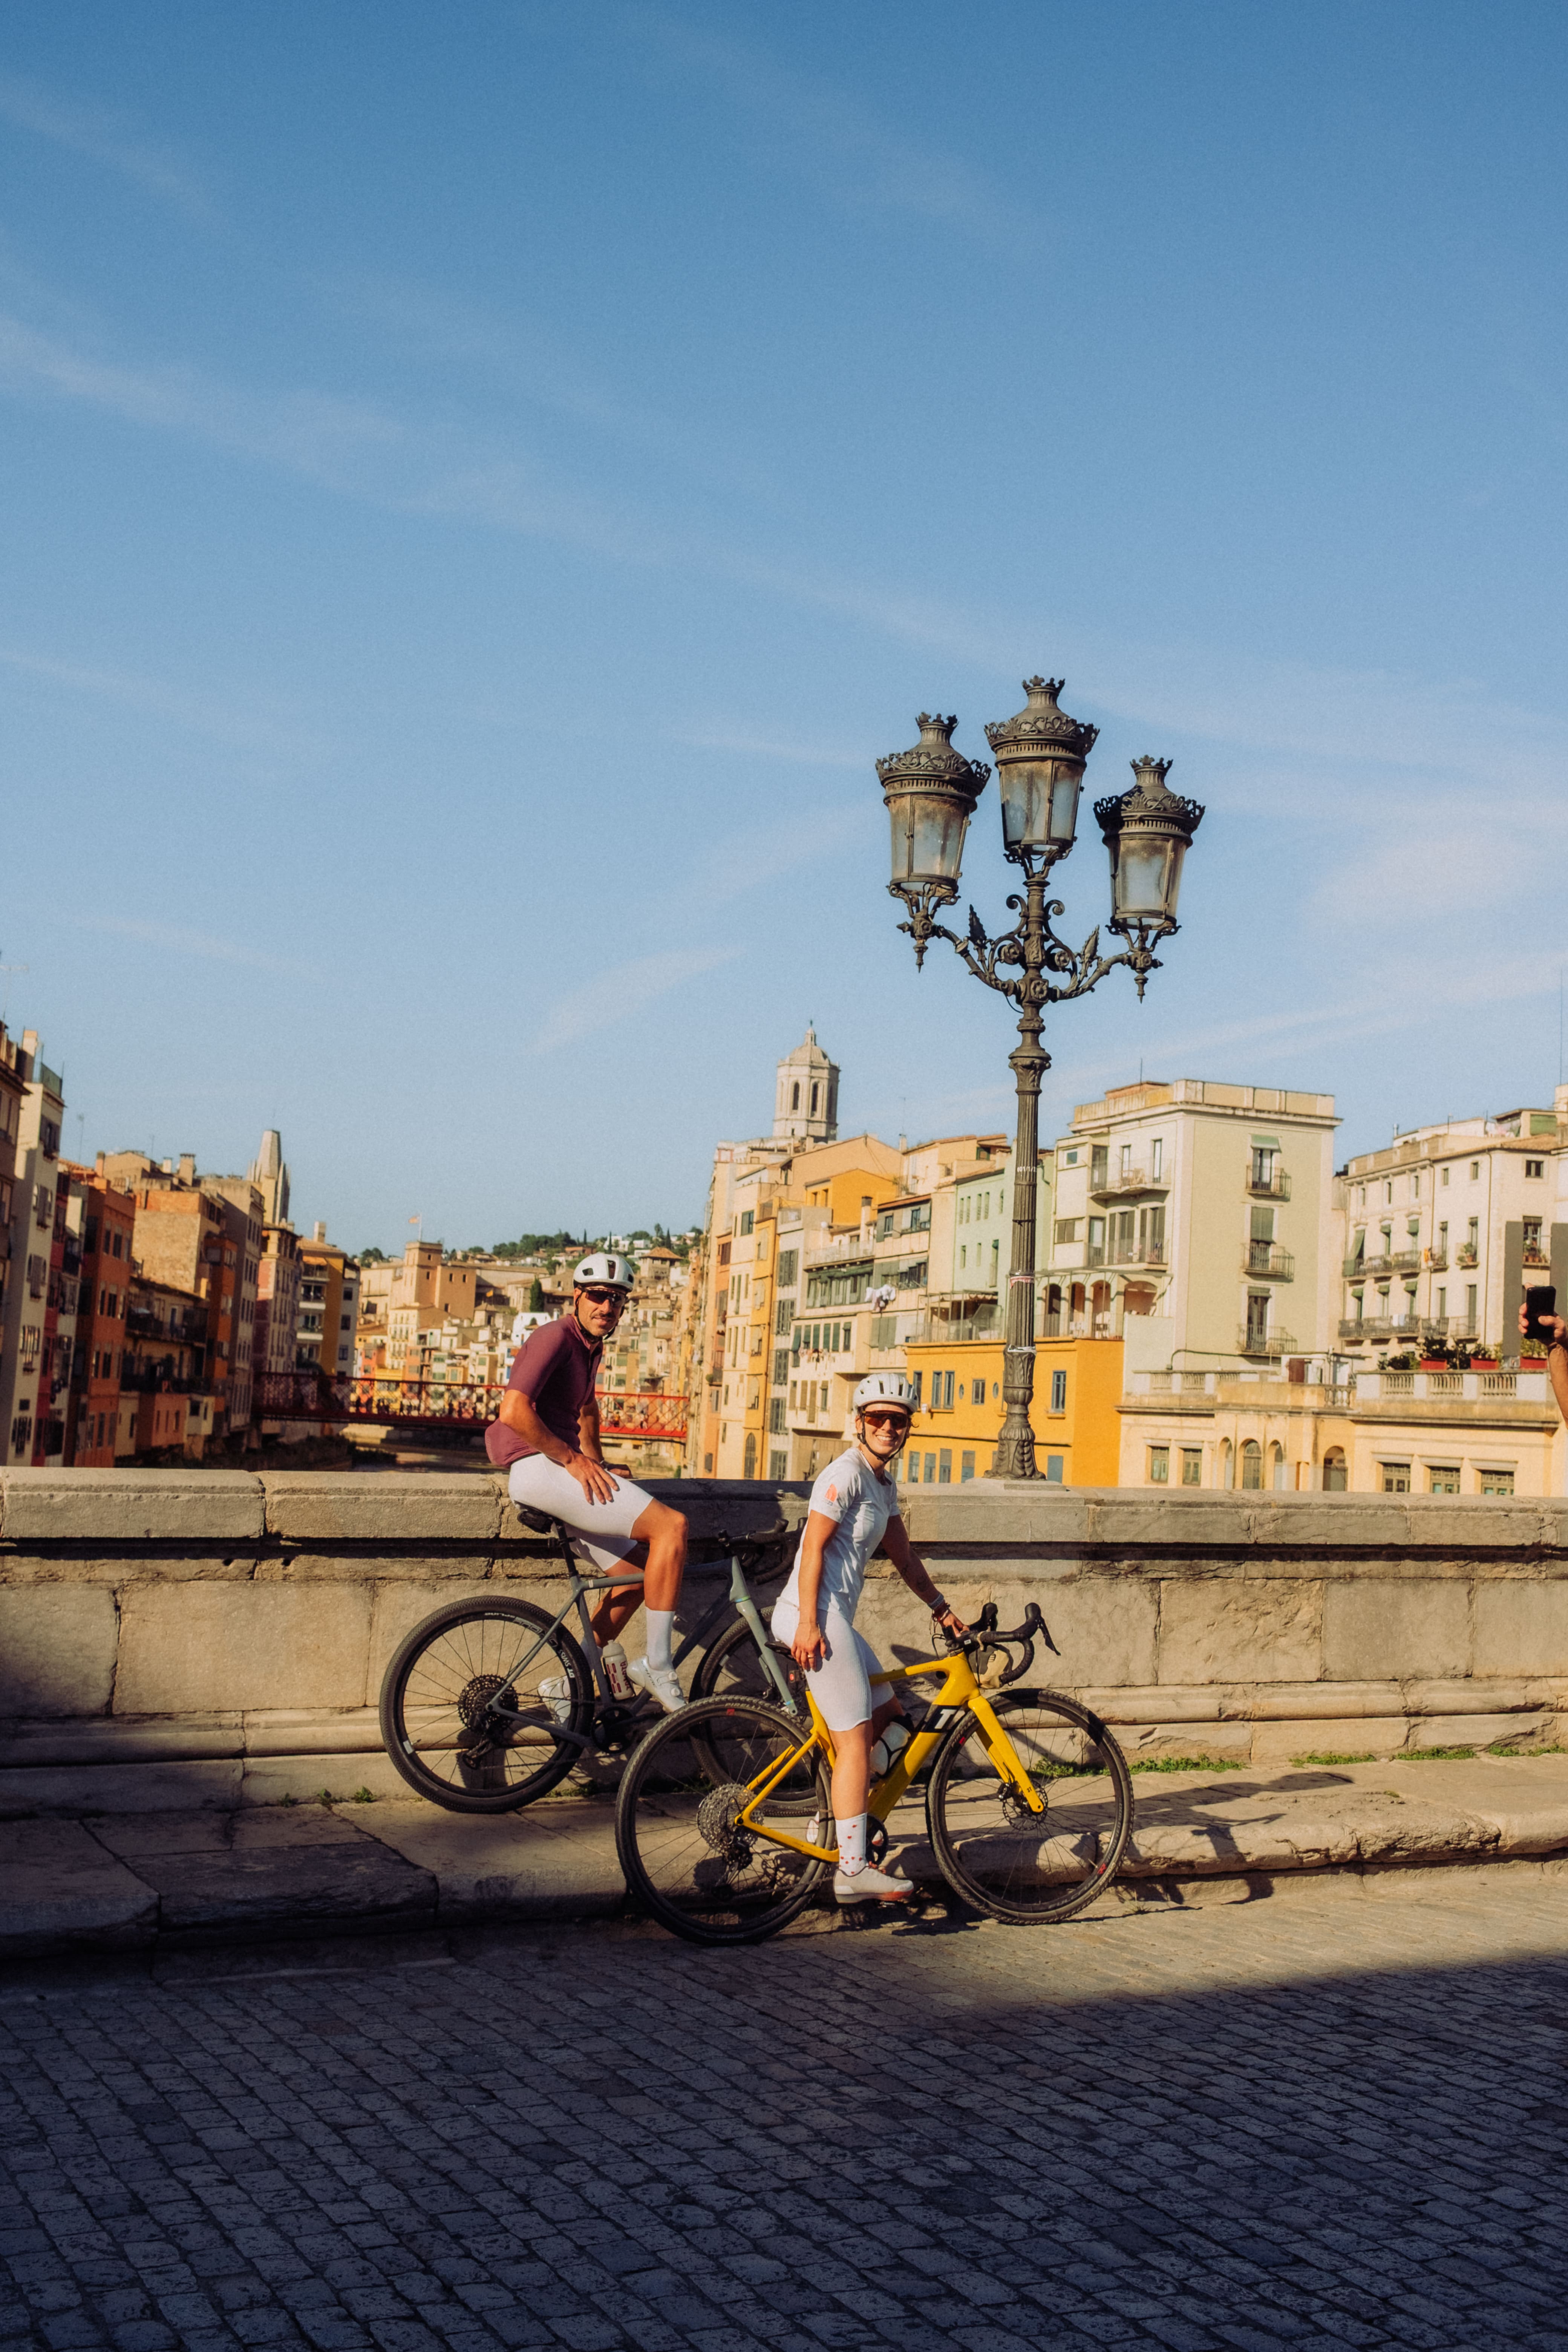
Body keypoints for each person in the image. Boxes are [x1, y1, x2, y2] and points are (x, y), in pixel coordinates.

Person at [771, 1372, 966, 1905]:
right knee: (855, 1741)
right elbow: (811, 1550)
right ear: (859, 1422)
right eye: (877, 1418)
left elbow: (904, 1557)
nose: (887, 1427)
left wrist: (942, 1610)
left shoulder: (882, 1485)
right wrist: (808, 1624)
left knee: (893, 1727)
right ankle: (852, 1869)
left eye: (897, 1421)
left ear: (907, 1429)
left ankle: (833, 1822)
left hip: (835, 1620)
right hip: (812, 1615)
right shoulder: (845, 1473)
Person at [485, 1253, 689, 1712]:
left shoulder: (588, 1346)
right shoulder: (554, 1337)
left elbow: (586, 1411)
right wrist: (573, 1461)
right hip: (538, 1469)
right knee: (671, 1528)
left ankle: (567, 1683)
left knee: (633, 1576)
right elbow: (514, 1412)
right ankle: (658, 1663)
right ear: (576, 1295)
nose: (607, 1307)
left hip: (555, 1468)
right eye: (597, 1296)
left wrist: (597, 1462)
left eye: (616, 1301)